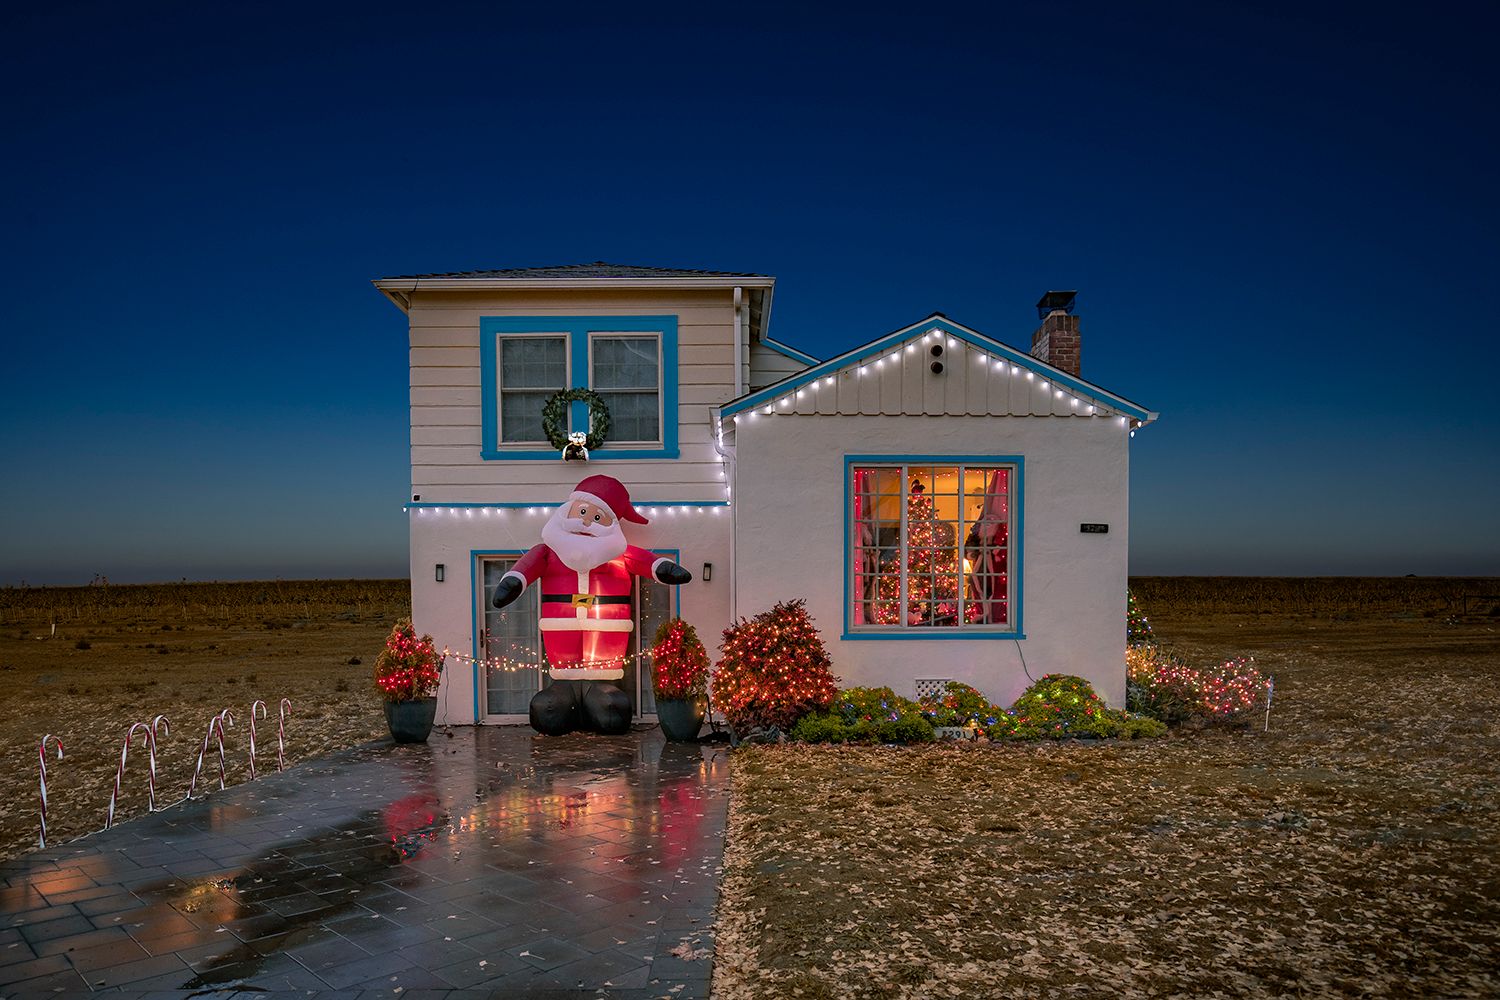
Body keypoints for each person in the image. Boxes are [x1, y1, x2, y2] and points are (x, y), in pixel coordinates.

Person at [491, 475, 692, 735]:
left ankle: (599, 695)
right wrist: (512, 582)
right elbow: (525, 569)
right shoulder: (547, 552)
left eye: (597, 517)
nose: (587, 521)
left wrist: (663, 568)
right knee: (549, 709)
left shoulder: (618, 554)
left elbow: (646, 561)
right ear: (568, 510)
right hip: (561, 647)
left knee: (611, 708)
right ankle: (563, 694)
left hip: (607, 647)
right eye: (583, 512)